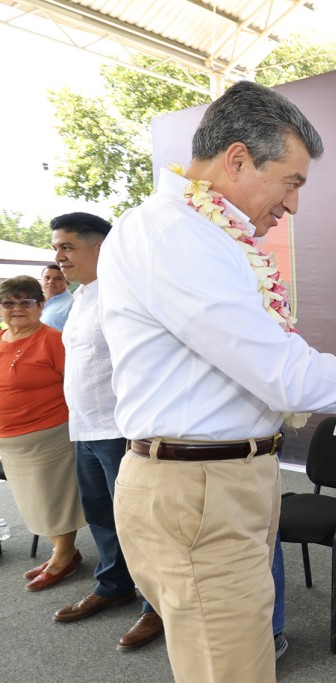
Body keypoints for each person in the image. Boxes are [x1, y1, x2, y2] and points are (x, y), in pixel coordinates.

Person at [97, 80, 336, 683]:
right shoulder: (174, 233)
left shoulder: (206, 236)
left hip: (224, 482)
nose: (293, 205)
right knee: (230, 670)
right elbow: (285, 376)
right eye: (292, 181)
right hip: (199, 488)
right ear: (237, 159)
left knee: (239, 657)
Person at [47, 212, 164, 650]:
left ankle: (156, 606)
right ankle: (113, 584)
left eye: (67, 246)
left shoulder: (126, 294)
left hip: (121, 429)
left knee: (139, 525)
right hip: (85, 428)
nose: (58, 257)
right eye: (56, 247)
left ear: (100, 247)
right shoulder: (80, 297)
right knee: (101, 515)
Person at [0, 275, 85, 590]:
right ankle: (62, 553)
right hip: (10, 441)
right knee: (33, 502)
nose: (17, 308)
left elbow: (75, 386)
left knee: (54, 501)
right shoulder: (1, 338)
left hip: (48, 435)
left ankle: (64, 556)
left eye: (26, 301)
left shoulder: (52, 339)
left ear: (41, 305)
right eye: (9, 302)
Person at [39, 264, 73, 331]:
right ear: (41, 280)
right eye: (47, 278)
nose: (51, 282)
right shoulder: (34, 302)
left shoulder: (73, 304)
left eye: (57, 278)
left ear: (67, 282)